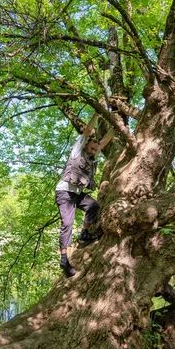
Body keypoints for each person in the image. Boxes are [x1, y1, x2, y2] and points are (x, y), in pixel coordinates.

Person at [55, 113, 114, 277]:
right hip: (65, 192)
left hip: (76, 194)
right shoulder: (77, 150)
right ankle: (64, 260)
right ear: (86, 144)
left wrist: (117, 124)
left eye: (97, 149)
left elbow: (106, 140)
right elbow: (88, 130)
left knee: (93, 206)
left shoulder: (92, 155)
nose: (95, 149)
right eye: (93, 146)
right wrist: (96, 113)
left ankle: (84, 234)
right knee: (67, 223)